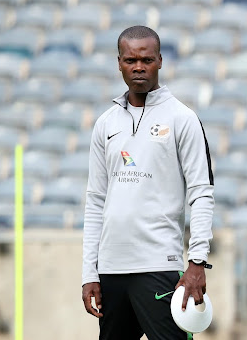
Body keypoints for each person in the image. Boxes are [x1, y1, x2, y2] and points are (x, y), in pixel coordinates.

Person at [81, 25, 215, 340]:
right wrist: (90, 272)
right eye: (130, 60)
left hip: (159, 267)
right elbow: (96, 200)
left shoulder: (182, 118)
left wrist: (197, 261)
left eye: (146, 60)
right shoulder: (105, 124)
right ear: (118, 63)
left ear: (160, 61)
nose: (138, 67)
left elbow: (201, 193)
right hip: (111, 271)